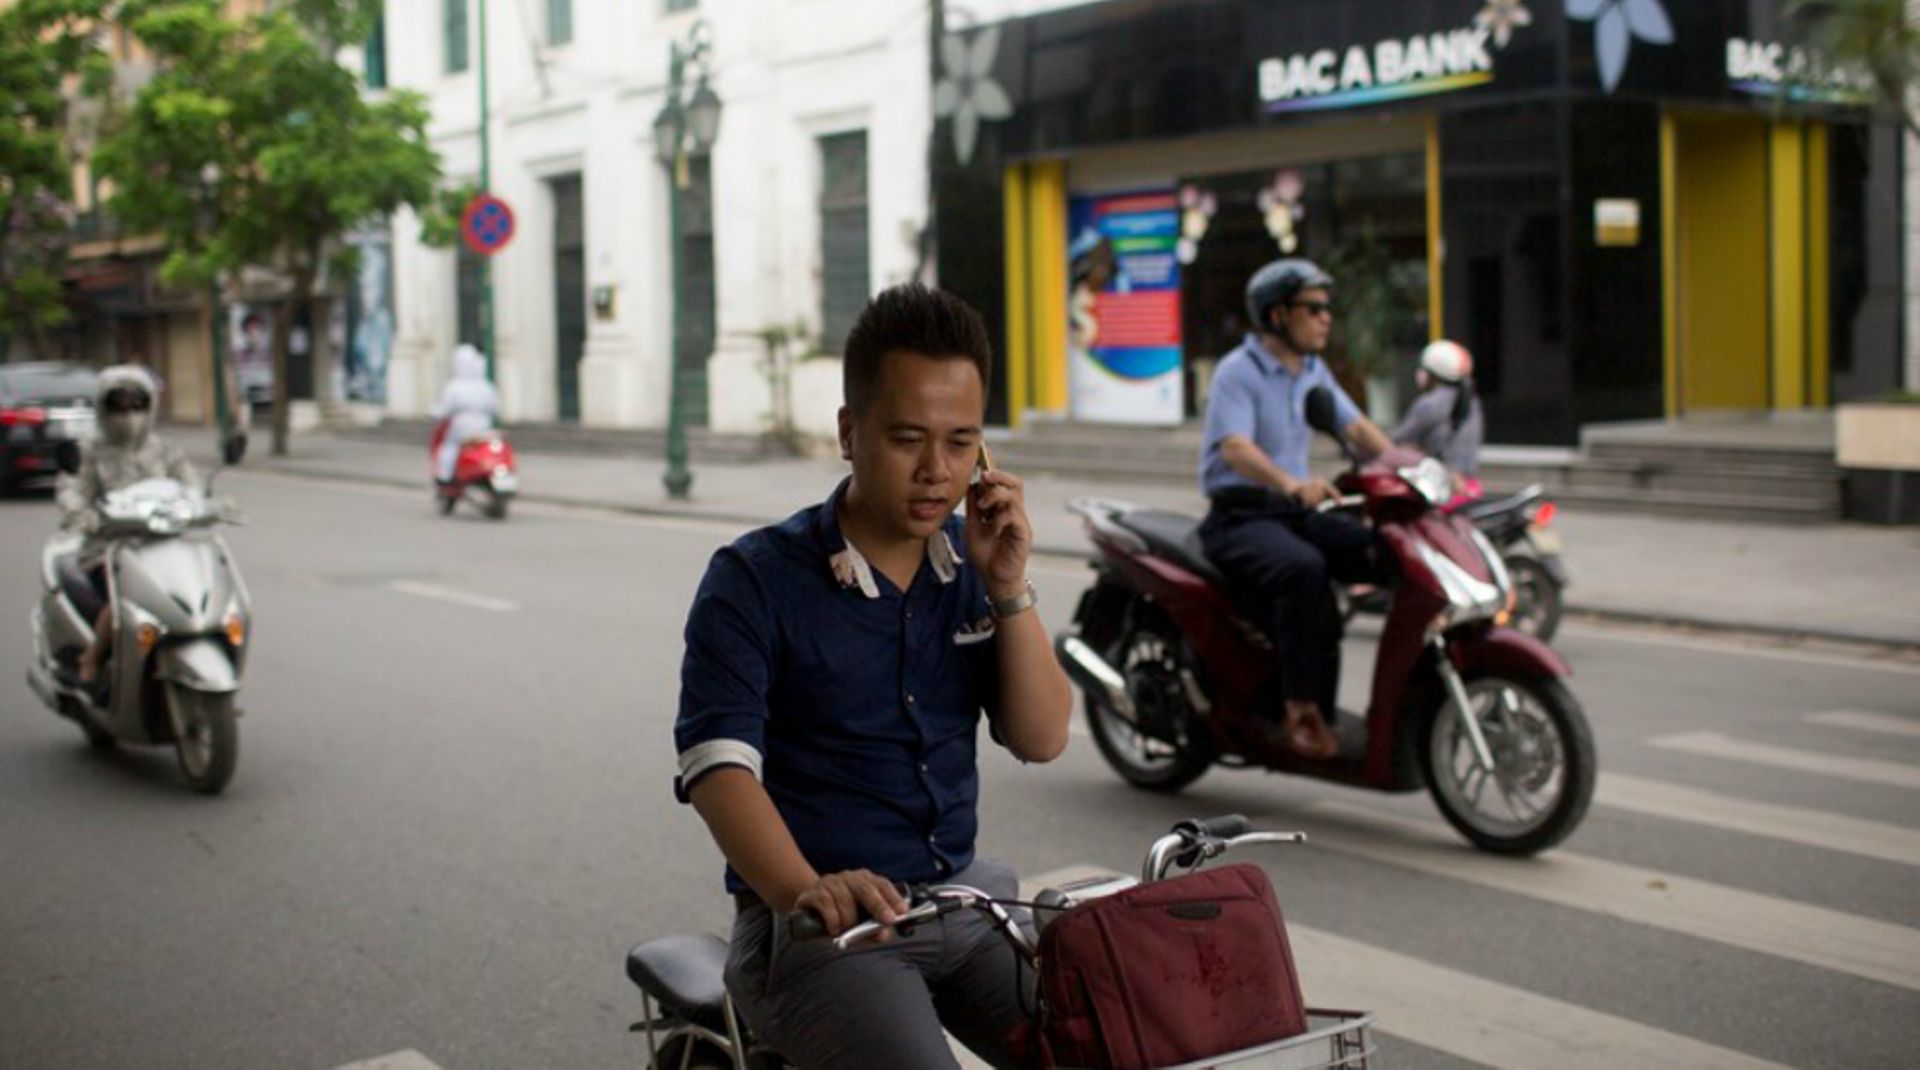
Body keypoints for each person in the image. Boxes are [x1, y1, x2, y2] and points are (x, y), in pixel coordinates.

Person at [674, 284, 1073, 1069]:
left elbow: (1041, 737)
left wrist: (1007, 586)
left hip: (963, 901)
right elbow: (719, 770)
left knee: (1110, 1040)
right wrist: (803, 890)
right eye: (907, 439)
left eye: (961, 443)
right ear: (849, 433)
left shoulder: (971, 566)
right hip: (823, 927)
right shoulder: (753, 580)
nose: (936, 471)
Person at [1196, 259, 1393, 760]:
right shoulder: (1238, 371)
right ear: (1278, 314)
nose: (1327, 317)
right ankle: (1299, 709)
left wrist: (1412, 469)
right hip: (1239, 515)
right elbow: (1234, 447)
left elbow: (1358, 429)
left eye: (1328, 307)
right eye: (1315, 308)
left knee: (1381, 548)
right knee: (1304, 570)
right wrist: (1290, 483)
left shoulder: (1313, 371)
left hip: (1292, 512)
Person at [56, 365, 200, 688]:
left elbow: (190, 484)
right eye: (119, 407)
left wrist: (205, 504)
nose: (128, 415)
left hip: (162, 544)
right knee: (122, 602)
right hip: (109, 549)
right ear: (103, 408)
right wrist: (80, 512)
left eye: (136, 405)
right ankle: (91, 658)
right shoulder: (89, 450)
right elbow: (71, 488)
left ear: (150, 406)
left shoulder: (165, 449)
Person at [1393, 340, 1484, 502]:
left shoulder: (1430, 404)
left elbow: (1399, 439)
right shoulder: (1471, 401)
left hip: (1442, 490)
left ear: (1434, 373)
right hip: (1470, 487)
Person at [429, 344, 498, 484]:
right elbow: (495, 408)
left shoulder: (454, 387)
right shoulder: (487, 387)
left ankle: (445, 476)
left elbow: (445, 409)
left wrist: (434, 412)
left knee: (449, 447)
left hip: (461, 429)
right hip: (484, 427)